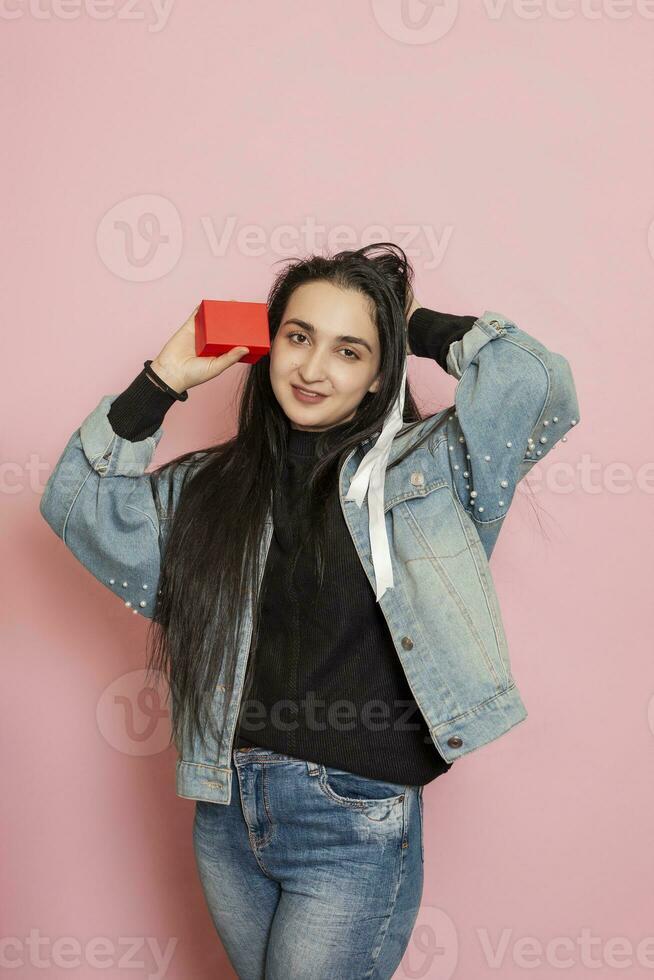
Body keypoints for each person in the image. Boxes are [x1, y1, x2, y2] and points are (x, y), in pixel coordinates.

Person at [39, 243, 580, 979]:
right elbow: (79, 505)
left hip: (353, 818)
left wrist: (411, 322)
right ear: (268, 346)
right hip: (226, 810)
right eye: (298, 337)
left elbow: (536, 381)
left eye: (349, 350)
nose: (314, 368)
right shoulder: (210, 487)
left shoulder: (429, 471)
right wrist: (164, 378)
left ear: (378, 375)